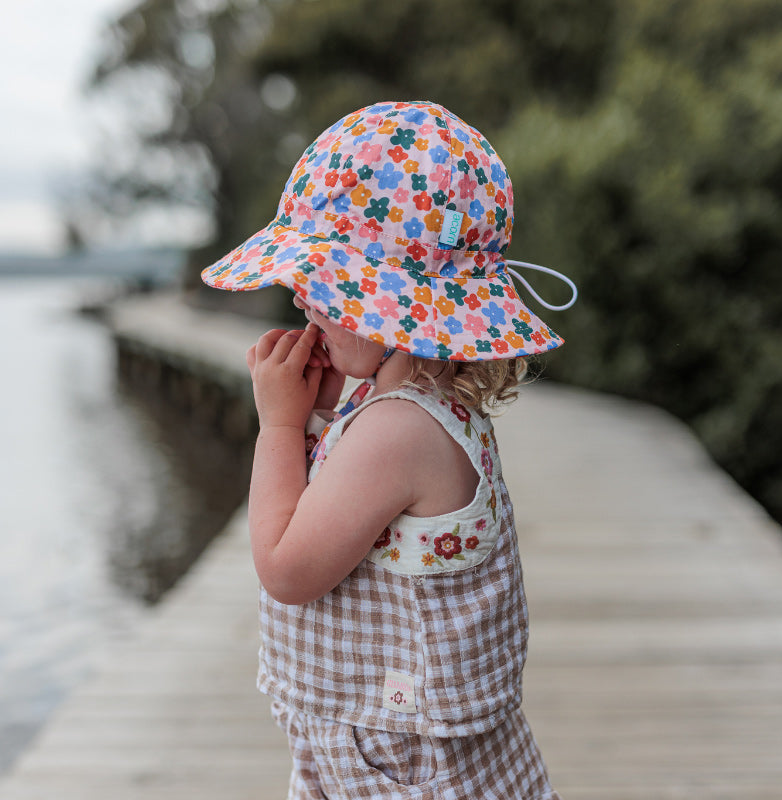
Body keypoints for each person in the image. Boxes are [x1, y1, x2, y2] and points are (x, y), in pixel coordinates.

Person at [201, 100, 576, 800]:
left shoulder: (397, 430)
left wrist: (279, 427)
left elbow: (287, 568)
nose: (302, 303)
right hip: (400, 751)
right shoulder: (411, 408)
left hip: (401, 768)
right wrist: (317, 419)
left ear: (394, 306)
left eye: (325, 288)